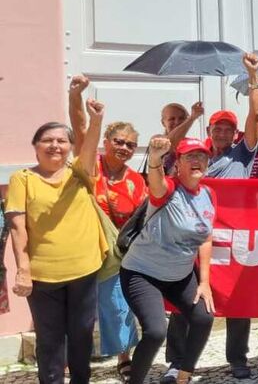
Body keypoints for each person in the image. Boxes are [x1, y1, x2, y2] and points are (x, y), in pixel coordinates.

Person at [163, 53, 258, 381]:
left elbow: (256, 116)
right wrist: (189, 119)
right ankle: (176, 360)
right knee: (184, 299)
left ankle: (238, 359)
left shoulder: (242, 154)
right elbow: (167, 148)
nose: (222, 133)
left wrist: (253, 78)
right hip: (193, 239)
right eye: (217, 128)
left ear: (235, 133)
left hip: (234, 237)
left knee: (238, 301)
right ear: (210, 130)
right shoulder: (194, 155)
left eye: (228, 129)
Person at [6, 109, 110, 384]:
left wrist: (95, 119)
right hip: (43, 276)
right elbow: (18, 227)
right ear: (36, 146)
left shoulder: (80, 173)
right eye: (47, 140)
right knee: (49, 339)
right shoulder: (22, 179)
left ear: (70, 148)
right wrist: (23, 270)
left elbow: (89, 147)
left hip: (84, 269)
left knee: (82, 334)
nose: (55, 145)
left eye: (62, 141)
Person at [68, 76, 145, 381]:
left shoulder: (135, 181)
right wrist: (75, 95)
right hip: (81, 245)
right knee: (75, 307)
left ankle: (123, 356)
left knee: (116, 306)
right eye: (120, 141)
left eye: (131, 145)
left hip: (115, 253)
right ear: (106, 141)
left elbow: (140, 218)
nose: (125, 147)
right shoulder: (91, 166)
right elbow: (78, 127)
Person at [121, 136, 216, 384]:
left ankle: (184, 375)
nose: (197, 160)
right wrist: (154, 158)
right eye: (190, 156)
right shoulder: (168, 189)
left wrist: (204, 282)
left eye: (202, 156)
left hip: (180, 275)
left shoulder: (208, 194)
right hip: (143, 272)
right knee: (154, 332)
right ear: (178, 164)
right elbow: (155, 181)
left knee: (203, 317)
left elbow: (205, 239)